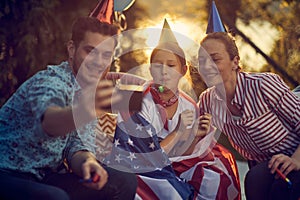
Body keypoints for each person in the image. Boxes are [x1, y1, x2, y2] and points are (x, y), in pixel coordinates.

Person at [0, 16, 137, 200]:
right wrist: (87, 109)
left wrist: (89, 163)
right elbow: (49, 122)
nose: (98, 62)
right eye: (90, 51)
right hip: (7, 171)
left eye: (106, 55)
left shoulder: (86, 91)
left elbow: (77, 148)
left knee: (123, 180)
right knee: (56, 197)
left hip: (44, 176)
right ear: (72, 49)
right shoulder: (50, 82)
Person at [106, 20, 240, 199]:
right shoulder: (138, 101)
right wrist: (178, 131)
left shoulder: (189, 105)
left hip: (173, 163)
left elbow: (183, 154)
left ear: (183, 70)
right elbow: (148, 157)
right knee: (169, 191)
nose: (164, 71)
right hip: (142, 165)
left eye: (171, 65)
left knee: (215, 173)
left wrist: (196, 136)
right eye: (158, 65)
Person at [197, 31, 300, 200]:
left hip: (295, 156)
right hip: (265, 168)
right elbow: (189, 132)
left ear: (235, 61)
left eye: (215, 59)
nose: (207, 67)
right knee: (254, 180)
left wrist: (296, 160)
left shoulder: (264, 85)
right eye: (202, 61)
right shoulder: (208, 100)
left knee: (279, 187)